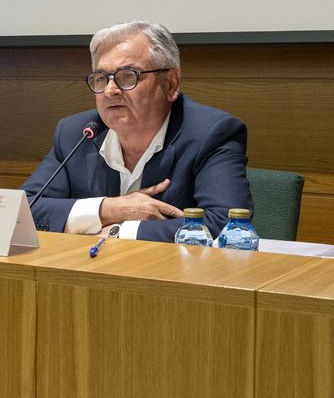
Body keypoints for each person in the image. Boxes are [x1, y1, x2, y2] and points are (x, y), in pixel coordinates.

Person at [21, 20, 251, 242]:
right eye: (101, 78)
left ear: (171, 83)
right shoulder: (75, 133)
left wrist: (118, 232)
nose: (110, 90)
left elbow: (225, 225)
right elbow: (23, 209)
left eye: (128, 76)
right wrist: (111, 209)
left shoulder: (211, 133)